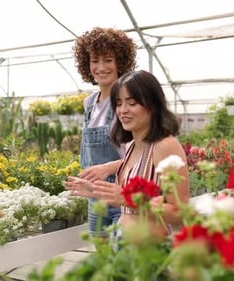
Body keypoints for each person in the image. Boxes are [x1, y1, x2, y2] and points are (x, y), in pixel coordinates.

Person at [65, 70, 190, 238]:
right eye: (118, 103)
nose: (123, 110)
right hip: (125, 248)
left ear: (152, 105)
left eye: (132, 103)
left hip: (151, 254)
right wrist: (96, 190)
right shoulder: (132, 145)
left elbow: (180, 213)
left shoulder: (165, 146)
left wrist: (127, 199)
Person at [72, 27, 137, 238]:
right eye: (94, 61)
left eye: (108, 60)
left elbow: (143, 155)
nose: (101, 67)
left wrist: (107, 168)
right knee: (104, 263)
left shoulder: (128, 102)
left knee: (122, 259)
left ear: (120, 62)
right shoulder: (89, 102)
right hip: (95, 198)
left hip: (121, 195)